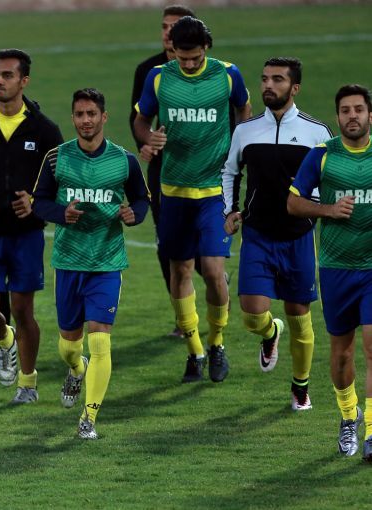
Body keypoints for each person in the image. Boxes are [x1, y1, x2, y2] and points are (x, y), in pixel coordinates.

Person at [133, 16, 251, 383]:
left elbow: (243, 110)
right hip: (173, 192)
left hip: (215, 192)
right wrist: (148, 138)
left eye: (195, 58)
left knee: (214, 272)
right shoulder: (158, 77)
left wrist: (238, 147)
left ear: (207, 49)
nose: (187, 64)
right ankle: (194, 350)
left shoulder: (228, 74)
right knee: (180, 271)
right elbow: (141, 120)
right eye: (182, 58)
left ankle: (217, 343)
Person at [32, 88, 149, 439]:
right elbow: (39, 202)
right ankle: (76, 369)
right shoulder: (57, 158)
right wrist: (61, 213)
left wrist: (134, 214)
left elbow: (142, 198)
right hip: (69, 261)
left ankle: (89, 418)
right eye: (80, 114)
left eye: (92, 114)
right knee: (69, 345)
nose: (86, 120)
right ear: (73, 118)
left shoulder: (124, 160)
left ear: (104, 117)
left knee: (100, 342)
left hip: (107, 261)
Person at [222, 57, 332, 410]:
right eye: (265, 79)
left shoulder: (317, 132)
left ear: (294, 88)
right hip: (257, 235)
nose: (268, 85)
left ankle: (300, 386)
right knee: (252, 314)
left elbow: (329, 180)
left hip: (299, 238)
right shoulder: (246, 131)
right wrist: (230, 210)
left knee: (300, 315)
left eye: (278, 79)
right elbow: (230, 171)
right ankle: (271, 332)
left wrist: (313, 205)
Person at [0, 49, 63, 403]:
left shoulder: (44, 130)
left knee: (22, 311)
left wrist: (35, 204)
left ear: (24, 81)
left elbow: (60, 183)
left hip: (26, 235)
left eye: (7, 76)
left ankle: (28, 383)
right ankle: (5, 341)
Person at [287, 84, 372, 459]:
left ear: (370, 115)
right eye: (345, 110)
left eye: (358, 109)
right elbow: (293, 203)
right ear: (337, 117)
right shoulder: (321, 156)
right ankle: (349, 416)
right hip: (337, 269)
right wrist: (328, 210)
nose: (352, 116)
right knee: (341, 355)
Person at [129, 5, 197, 337]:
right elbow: (138, 119)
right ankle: (182, 319)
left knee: (201, 244)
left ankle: (212, 278)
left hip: (201, 170)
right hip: (163, 170)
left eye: (176, 26)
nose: (168, 32)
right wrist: (146, 143)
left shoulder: (213, 72)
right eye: (164, 26)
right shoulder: (148, 70)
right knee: (165, 244)